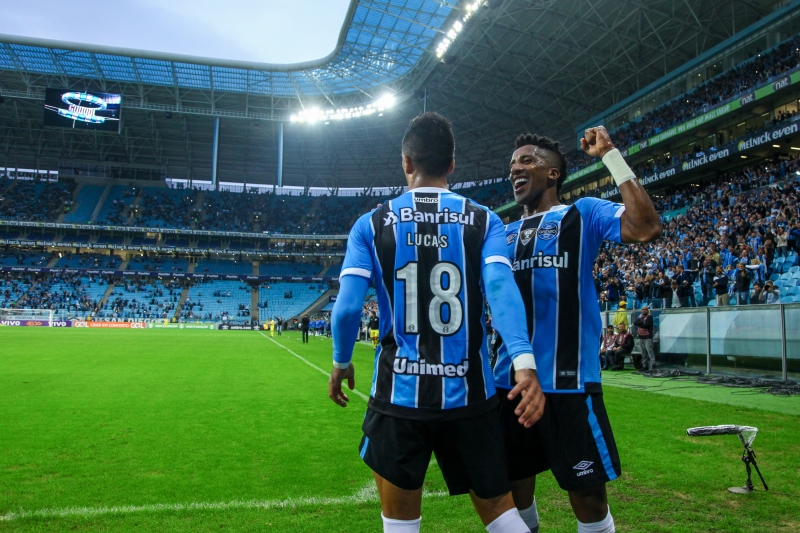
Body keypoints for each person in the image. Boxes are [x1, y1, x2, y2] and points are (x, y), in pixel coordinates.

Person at [328, 112, 545, 533]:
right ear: (451, 165)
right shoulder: (485, 220)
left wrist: (340, 361)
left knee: (401, 525)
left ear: (406, 163)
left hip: (399, 396)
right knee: (502, 516)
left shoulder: (370, 225)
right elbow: (501, 291)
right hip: (470, 394)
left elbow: (349, 307)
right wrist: (523, 361)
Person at [494, 127, 661, 533]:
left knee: (588, 496)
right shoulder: (498, 233)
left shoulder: (581, 213)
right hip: (508, 383)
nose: (516, 169)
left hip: (568, 382)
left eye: (527, 161)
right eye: (513, 164)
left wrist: (611, 156)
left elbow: (645, 227)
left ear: (553, 174)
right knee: (514, 494)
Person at [633, 305, 655, 371]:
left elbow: (646, 325)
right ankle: (644, 366)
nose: (644, 310)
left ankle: (653, 365)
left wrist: (640, 323)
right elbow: (635, 323)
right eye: (642, 309)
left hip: (648, 337)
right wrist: (641, 322)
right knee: (643, 353)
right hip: (641, 337)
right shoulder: (640, 317)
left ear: (647, 310)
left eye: (645, 309)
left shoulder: (649, 317)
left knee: (650, 352)